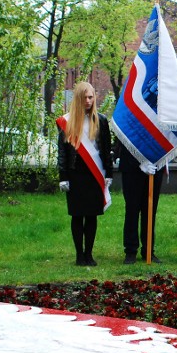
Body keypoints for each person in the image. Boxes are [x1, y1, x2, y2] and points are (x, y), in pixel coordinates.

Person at [56, 82, 112, 266]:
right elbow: (63, 152)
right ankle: (79, 255)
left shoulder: (101, 120)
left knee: (92, 215)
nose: (88, 101)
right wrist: (63, 177)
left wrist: (109, 173)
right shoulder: (67, 121)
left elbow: (106, 149)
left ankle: (89, 254)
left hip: (94, 174)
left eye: (91, 97)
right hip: (75, 175)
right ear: (78, 99)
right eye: (84, 97)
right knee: (77, 215)